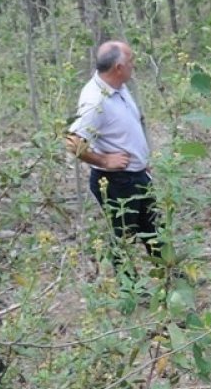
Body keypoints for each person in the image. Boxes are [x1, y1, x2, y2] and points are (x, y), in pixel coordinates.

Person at [65, 40, 163, 271]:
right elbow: (72, 140)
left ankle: (168, 278)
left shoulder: (118, 86)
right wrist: (104, 160)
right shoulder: (94, 99)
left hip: (138, 175)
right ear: (118, 67)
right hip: (116, 182)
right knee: (123, 238)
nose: (134, 66)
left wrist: (141, 159)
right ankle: (129, 293)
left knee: (153, 230)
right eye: (131, 61)